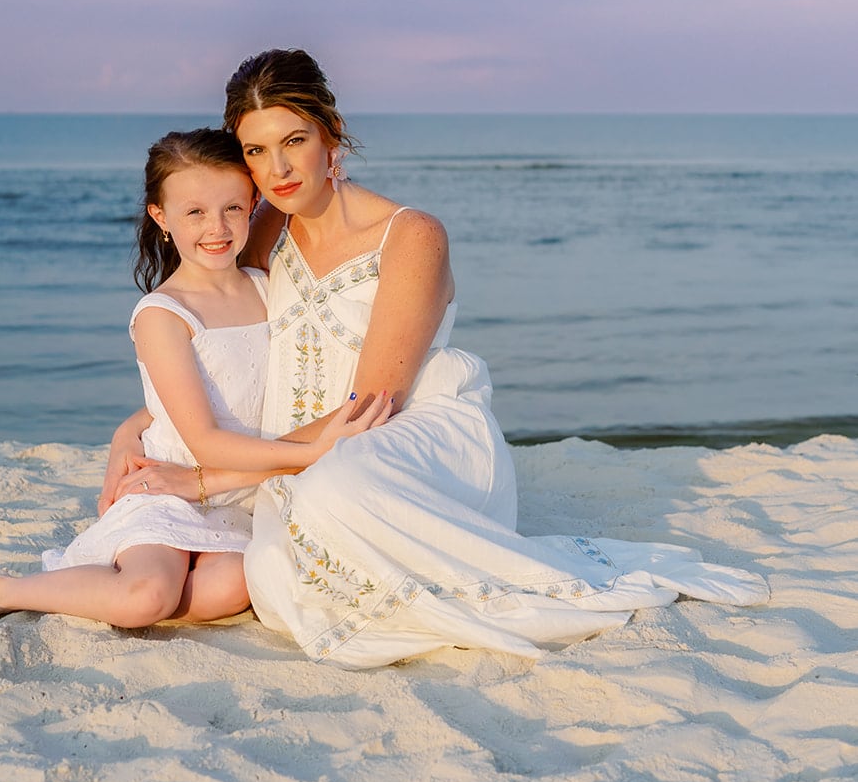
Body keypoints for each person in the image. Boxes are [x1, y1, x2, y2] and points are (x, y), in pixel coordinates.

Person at [104, 50, 768, 668]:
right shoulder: (263, 233)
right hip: (296, 452)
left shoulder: (408, 234)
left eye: (293, 141)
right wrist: (131, 429)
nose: (276, 170)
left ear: (331, 133)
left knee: (335, 487)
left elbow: (374, 403)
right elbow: (226, 353)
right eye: (256, 150)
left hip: (407, 433)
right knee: (276, 570)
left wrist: (203, 479)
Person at [0, 126, 387, 628]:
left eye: (232, 208)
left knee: (234, 586)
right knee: (147, 597)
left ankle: (130, 589)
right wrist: (312, 453)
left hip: (242, 495)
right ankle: (6, 588)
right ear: (161, 217)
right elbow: (205, 440)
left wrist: (125, 429)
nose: (216, 227)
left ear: (252, 204)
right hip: (168, 488)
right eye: (194, 212)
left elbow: (227, 386)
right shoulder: (164, 314)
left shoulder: (265, 288)